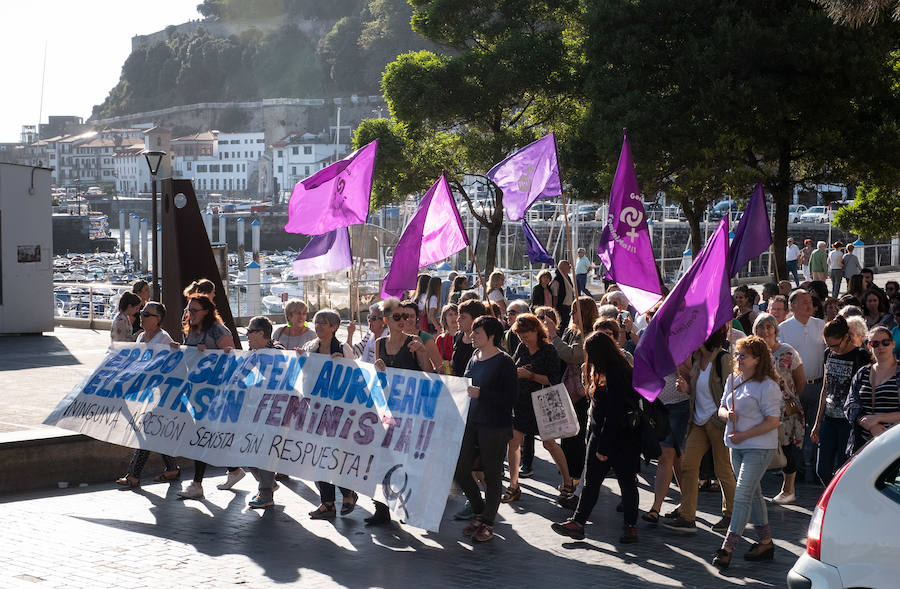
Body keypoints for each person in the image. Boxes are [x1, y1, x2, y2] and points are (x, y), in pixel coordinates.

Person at [550, 332, 641, 544]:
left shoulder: (617, 373)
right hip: (599, 433)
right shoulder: (599, 371)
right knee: (591, 481)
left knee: (626, 481)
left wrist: (604, 448)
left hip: (619, 437)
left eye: (589, 353)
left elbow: (615, 413)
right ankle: (578, 523)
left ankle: (630, 526)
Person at [712, 336, 782, 570]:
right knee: (753, 495)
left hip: (758, 447)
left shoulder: (768, 386)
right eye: (738, 354)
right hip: (736, 446)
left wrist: (745, 435)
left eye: (744, 355)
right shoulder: (733, 379)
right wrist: (726, 415)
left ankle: (728, 547)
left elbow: (773, 421)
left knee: (741, 495)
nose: (738, 359)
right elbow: (721, 407)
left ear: (758, 359)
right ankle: (765, 542)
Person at [663, 326, 735, 534]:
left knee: (723, 470)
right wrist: (687, 389)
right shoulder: (695, 358)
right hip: (698, 422)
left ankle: (731, 515)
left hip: (718, 422)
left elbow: (731, 391)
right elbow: (698, 388)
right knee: (687, 466)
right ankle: (687, 516)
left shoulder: (723, 359)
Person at [454, 316, 518, 542]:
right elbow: (466, 385)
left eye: (477, 333)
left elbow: (510, 398)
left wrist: (483, 394)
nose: (472, 336)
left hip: (494, 426)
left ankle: (488, 522)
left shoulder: (505, 362)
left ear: (491, 336)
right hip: (472, 422)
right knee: (460, 469)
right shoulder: (474, 357)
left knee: (492, 474)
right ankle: (480, 510)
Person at [372, 298, 432, 525]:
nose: (403, 321)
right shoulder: (379, 342)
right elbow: (378, 378)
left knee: (407, 462)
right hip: (388, 409)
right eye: (397, 317)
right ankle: (381, 509)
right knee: (383, 459)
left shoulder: (414, 341)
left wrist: (423, 352)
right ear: (386, 320)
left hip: (411, 411)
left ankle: (407, 507)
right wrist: (378, 370)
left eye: (405, 317)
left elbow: (430, 374)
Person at [503, 313, 573, 503]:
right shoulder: (521, 347)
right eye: (520, 335)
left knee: (548, 443)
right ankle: (514, 485)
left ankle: (567, 482)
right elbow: (513, 365)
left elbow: (553, 380)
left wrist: (530, 375)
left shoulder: (549, 350)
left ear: (536, 331)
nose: (523, 339)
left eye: (525, 335)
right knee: (514, 443)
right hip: (521, 402)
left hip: (542, 403)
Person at [299, 309, 360, 518]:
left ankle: (347, 492)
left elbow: (354, 379)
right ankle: (327, 502)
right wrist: (301, 361)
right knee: (318, 456)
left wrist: (342, 363)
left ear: (334, 327)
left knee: (336, 455)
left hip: (338, 413)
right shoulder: (310, 347)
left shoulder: (343, 348)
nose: (319, 326)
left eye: (323, 323)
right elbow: (305, 377)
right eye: (316, 322)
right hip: (315, 411)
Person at [177, 295, 239, 499]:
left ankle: (197, 483)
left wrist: (211, 354)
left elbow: (231, 359)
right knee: (208, 436)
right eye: (188, 310)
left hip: (215, 394)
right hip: (197, 391)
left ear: (206, 312)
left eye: (194, 311)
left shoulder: (218, 331)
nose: (190, 314)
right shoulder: (191, 330)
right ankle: (235, 469)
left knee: (202, 436)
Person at [115, 301, 179, 487]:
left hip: (161, 395)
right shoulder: (141, 337)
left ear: (158, 319)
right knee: (156, 433)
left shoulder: (164, 339)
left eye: (146, 314)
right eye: (141, 312)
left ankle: (134, 475)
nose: (141, 316)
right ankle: (172, 468)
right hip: (146, 394)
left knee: (148, 431)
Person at [545, 296, 599, 496]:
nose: (571, 314)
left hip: (578, 391)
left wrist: (554, 336)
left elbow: (573, 356)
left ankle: (575, 476)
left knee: (575, 436)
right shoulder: (571, 330)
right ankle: (568, 474)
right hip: (566, 389)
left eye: (575, 310)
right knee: (567, 434)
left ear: (584, 313)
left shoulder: (587, 333)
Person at [811, 316, 871, 485]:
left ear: (847, 337)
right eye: (829, 345)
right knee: (822, 469)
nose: (833, 349)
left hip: (849, 423)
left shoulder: (861, 356)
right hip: (829, 419)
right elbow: (825, 387)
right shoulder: (828, 354)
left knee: (844, 468)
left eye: (836, 345)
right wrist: (818, 422)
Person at [753, 313, 806, 504]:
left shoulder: (787, 351)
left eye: (769, 327)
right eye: (761, 327)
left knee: (787, 448)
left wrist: (787, 398)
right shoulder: (752, 352)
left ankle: (788, 489)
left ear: (775, 329)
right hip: (759, 410)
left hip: (786, 411)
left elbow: (800, 381)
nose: (765, 331)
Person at [779, 290, 826, 482]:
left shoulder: (821, 325)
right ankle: (794, 471)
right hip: (793, 390)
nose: (809, 305)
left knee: (814, 431)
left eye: (810, 302)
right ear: (793, 306)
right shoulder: (783, 328)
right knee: (794, 431)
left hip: (817, 386)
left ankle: (811, 470)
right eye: (804, 302)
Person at [243, 316, 286, 508]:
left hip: (274, 410)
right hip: (257, 408)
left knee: (264, 450)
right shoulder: (255, 352)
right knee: (244, 449)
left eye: (250, 331)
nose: (247, 335)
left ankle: (265, 493)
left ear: (261, 333)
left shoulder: (277, 351)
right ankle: (267, 483)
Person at [845, 326, 900, 454]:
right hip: (865, 446)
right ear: (869, 347)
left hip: (895, 446)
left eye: (885, 342)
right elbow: (850, 405)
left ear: (893, 344)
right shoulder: (862, 373)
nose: (880, 347)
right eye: (875, 343)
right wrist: (868, 424)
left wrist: (879, 418)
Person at [400, 300, 442, 372]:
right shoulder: (395, 336)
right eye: (405, 316)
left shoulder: (426, 338)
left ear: (417, 318)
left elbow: (439, 366)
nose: (408, 319)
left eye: (412, 316)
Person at [452, 299, 487, 377]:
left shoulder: (485, 341)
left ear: (476, 320)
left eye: (463, 317)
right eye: (458, 316)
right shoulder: (458, 336)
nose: (458, 320)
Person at [434, 304, 459, 375]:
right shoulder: (440, 339)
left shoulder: (465, 337)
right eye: (450, 314)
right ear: (445, 318)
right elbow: (436, 362)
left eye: (456, 314)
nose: (454, 317)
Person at [550, 260, 575, 330]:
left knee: (566, 324)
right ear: (562, 267)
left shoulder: (567, 277)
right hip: (561, 306)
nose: (570, 268)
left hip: (569, 306)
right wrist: (555, 309)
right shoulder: (557, 279)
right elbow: (555, 295)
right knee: (561, 325)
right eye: (568, 266)